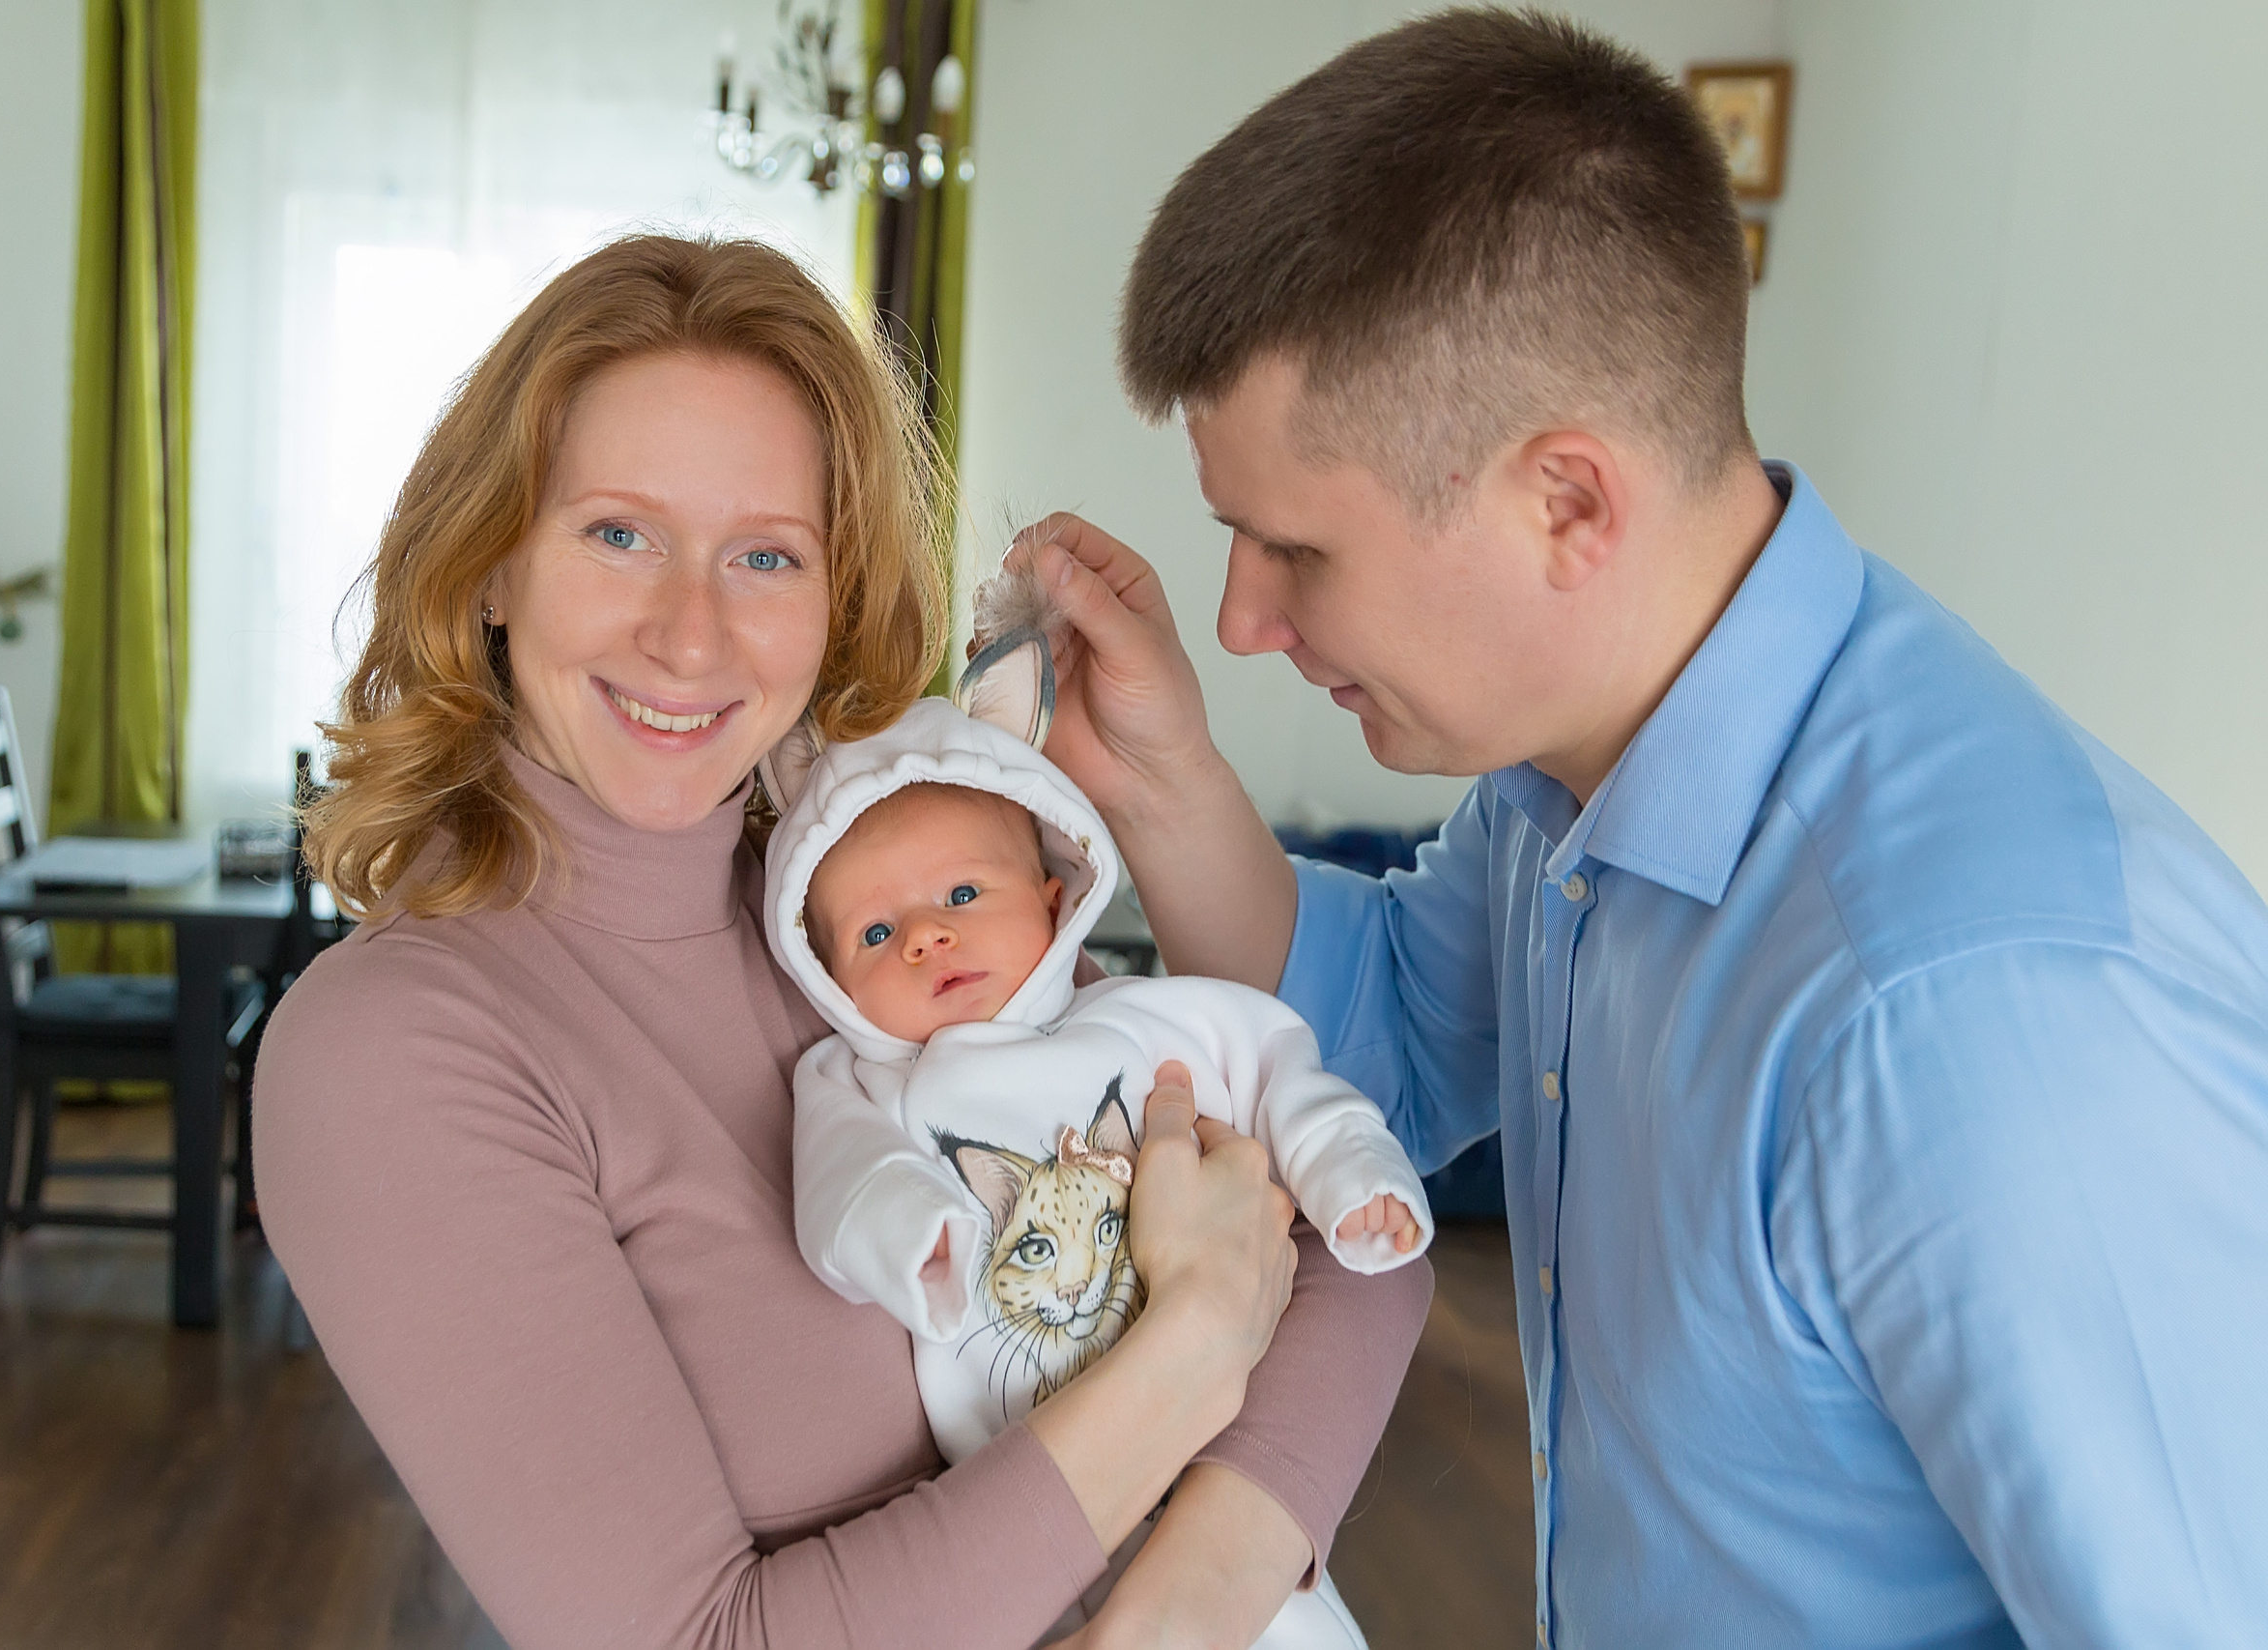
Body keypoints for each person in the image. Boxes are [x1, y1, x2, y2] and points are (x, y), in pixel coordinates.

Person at [1012, 11, 2268, 1649]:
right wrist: (1159, 771)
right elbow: (1387, 1032)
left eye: (1298, 550)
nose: (1242, 620)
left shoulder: (1971, 1018)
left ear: (1569, 503)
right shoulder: (1574, 770)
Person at [252, 234, 1433, 1650]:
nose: (692, 635)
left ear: (833, 603)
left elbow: (1359, 1240)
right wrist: (1190, 1351)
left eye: (767, 555)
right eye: (619, 534)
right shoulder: (389, 1054)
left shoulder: (859, 900)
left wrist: (1182, 1606)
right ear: (491, 563)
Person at [768, 695, 1433, 1648]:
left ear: (1054, 900)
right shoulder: (862, 1082)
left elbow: (1281, 1070)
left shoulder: (1144, 1020)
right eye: (875, 934)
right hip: (1038, 1498)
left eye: (962, 894)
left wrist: (1348, 1173)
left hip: (1220, 1470)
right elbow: (842, 1185)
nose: (924, 936)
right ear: (828, 982)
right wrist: (917, 1239)